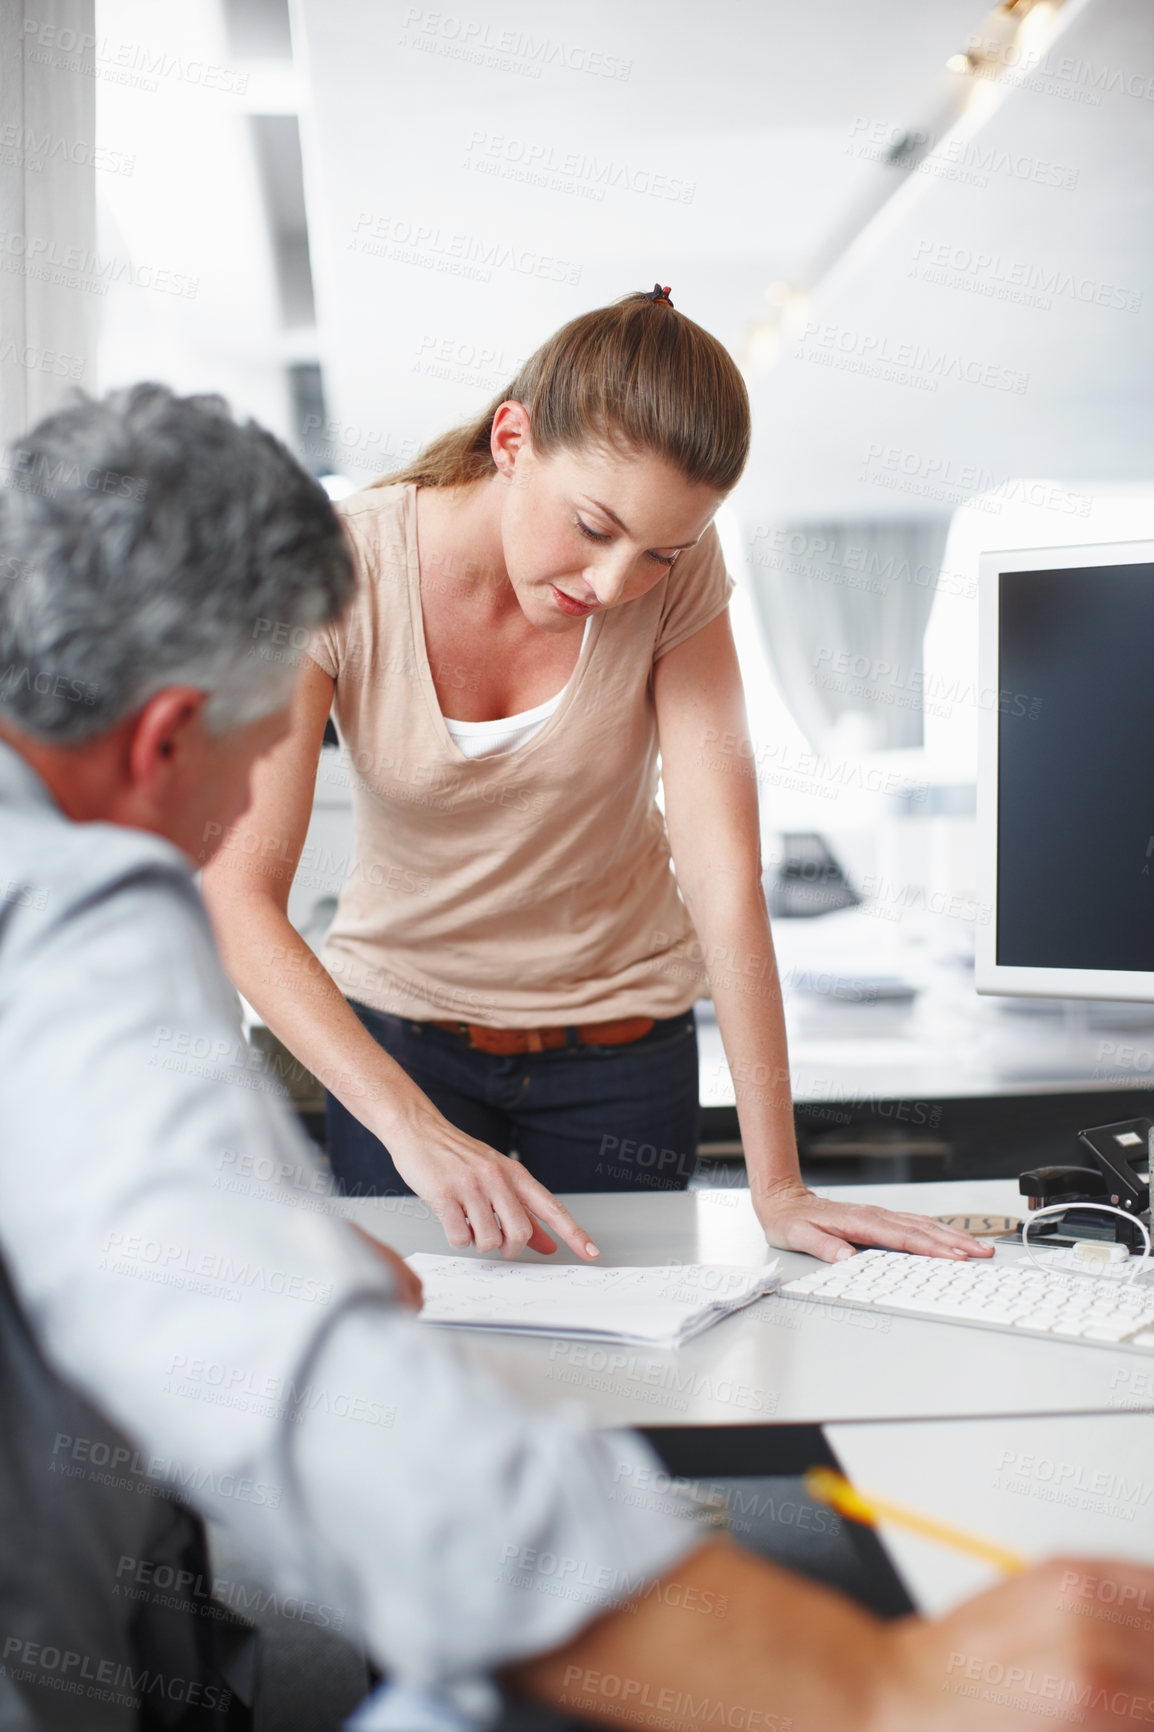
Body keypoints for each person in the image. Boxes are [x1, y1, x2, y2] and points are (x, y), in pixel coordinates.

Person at [2, 383, 1151, 1732]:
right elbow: (303, 1393)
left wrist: (263, 1248)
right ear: (160, 742)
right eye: (267, 750)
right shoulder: (71, 913)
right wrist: (870, 1685)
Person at [202, 287, 994, 1270]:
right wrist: (410, 1127)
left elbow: (721, 876)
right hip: (399, 1043)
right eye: (591, 525)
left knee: (628, 1369)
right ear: (510, 440)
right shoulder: (332, 569)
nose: (613, 584)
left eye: (656, 553)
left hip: (620, 1053)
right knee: (434, 1358)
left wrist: (776, 1184)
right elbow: (234, 894)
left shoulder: (682, 580)